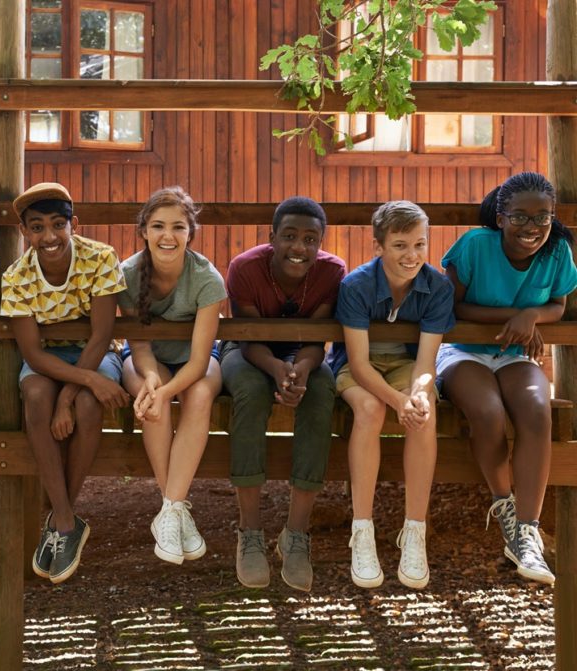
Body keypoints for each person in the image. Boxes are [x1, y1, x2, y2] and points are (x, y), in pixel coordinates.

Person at [436, 172, 577, 586]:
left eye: (542, 217)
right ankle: (506, 510)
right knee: (488, 411)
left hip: (516, 356)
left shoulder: (556, 252)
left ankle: (527, 533)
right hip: (463, 353)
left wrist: (531, 315)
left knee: (537, 411)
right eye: (520, 217)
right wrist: (514, 319)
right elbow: (452, 309)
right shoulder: (475, 247)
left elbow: (557, 304)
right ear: (500, 218)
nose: (532, 227)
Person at [0, 182, 129, 584]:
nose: (49, 236)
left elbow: (102, 333)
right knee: (35, 393)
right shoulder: (16, 276)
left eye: (58, 224)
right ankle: (68, 522)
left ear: (74, 223)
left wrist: (69, 398)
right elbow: (34, 356)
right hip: (49, 361)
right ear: (25, 233)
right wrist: (72, 389)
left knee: (89, 405)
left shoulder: (101, 258)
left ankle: (61, 521)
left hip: (96, 351)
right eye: (37, 227)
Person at [222, 196, 346, 592]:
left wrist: (303, 370)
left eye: (311, 239)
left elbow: (318, 338)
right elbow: (248, 338)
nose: (299, 247)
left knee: (323, 389)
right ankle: (251, 532)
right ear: (272, 236)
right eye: (289, 236)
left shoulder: (332, 271)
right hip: (246, 349)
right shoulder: (245, 268)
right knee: (251, 390)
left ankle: (295, 534)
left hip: (302, 352)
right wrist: (277, 370)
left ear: (321, 241)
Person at [328, 200, 454, 590]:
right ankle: (361, 532)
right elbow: (360, 364)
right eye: (400, 245)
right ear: (378, 246)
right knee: (368, 410)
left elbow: (426, 362)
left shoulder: (437, 286)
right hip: (360, 367)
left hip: (407, 365)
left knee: (424, 410)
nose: (412, 255)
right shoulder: (356, 285)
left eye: (419, 244)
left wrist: (414, 395)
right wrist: (394, 401)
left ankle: (414, 531)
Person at [117, 187, 225, 565]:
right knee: (153, 400)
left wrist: (167, 392)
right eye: (158, 226)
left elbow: (198, 362)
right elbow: (140, 344)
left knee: (197, 396)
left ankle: (169, 510)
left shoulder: (206, 278)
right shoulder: (128, 276)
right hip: (147, 359)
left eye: (178, 227)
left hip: (195, 361)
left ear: (190, 233)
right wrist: (151, 382)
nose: (168, 235)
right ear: (143, 230)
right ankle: (175, 510)